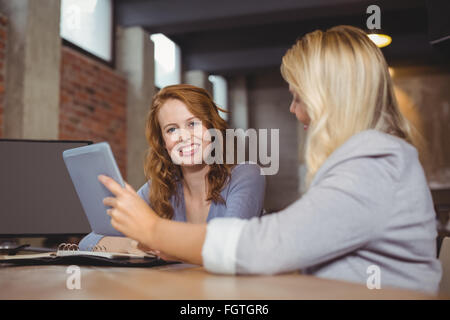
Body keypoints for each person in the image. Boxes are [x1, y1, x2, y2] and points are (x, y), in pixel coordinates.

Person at [98, 26, 442, 294]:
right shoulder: (370, 159)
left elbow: (265, 246)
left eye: (298, 97)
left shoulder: (376, 164)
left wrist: (155, 231)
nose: (292, 109)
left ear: (331, 97)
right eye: (172, 129)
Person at [79, 84, 266, 254]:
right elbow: (89, 241)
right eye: (171, 130)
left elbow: (226, 246)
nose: (183, 137)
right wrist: (133, 245)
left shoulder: (246, 176)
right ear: (163, 143)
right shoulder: (160, 188)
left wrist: (158, 238)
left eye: (192, 124)